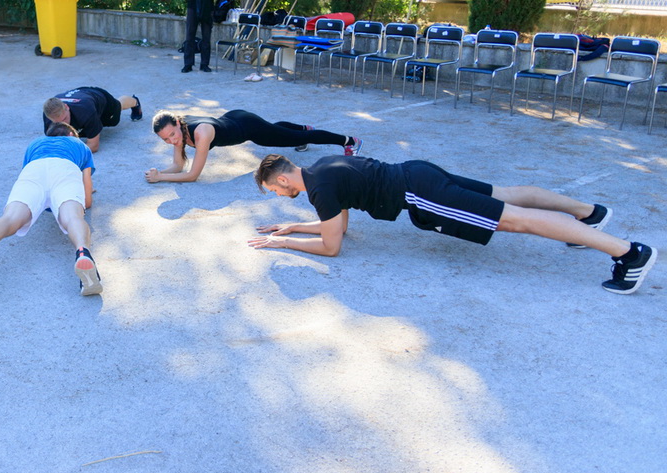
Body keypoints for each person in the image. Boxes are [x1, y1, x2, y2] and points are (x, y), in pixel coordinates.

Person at [249, 153, 657, 295]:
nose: (279, 197)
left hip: (421, 193)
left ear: (282, 179)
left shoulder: (319, 190)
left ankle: (628, 253)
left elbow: (334, 245)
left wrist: (283, 245)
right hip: (419, 171)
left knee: (513, 221)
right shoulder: (321, 169)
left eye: (274, 191)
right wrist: (295, 229)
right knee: (507, 194)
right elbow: (338, 223)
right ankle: (589, 213)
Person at [0, 121, 101, 298]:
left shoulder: (35, 144)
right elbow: (87, 200)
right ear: (71, 135)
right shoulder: (79, 145)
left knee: (10, 219)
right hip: (66, 169)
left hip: (34, 170)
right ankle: (83, 253)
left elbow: (31, 178)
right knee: (72, 217)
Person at [145, 110, 363, 184]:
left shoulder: (201, 133)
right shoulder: (179, 133)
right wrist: (159, 172)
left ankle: (349, 141)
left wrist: (162, 179)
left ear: (176, 122)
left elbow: (193, 175)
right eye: (166, 140)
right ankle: (302, 129)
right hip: (235, 118)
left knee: (284, 137)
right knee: (278, 132)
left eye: (172, 135)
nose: (172, 141)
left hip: (247, 127)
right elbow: (178, 165)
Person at [42, 87, 143, 152]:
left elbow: (93, 146)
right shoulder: (49, 115)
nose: (63, 124)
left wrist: (69, 153)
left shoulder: (86, 111)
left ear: (67, 107)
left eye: (65, 119)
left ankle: (135, 101)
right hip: (81, 96)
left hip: (100, 99)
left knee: (116, 113)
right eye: (57, 122)